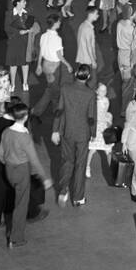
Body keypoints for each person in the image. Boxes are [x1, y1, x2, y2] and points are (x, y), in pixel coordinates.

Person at [0, 101, 52, 249]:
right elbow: (34, 160)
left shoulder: (6, 132)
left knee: (16, 198)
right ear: (26, 116)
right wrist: (44, 178)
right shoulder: (25, 137)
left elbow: (0, 154)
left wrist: (9, 164)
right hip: (22, 171)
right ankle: (16, 238)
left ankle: (13, 231)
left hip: (9, 169)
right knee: (21, 206)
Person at [51, 65, 96, 208]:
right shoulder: (90, 94)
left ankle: (63, 190)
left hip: (67, 132)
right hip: (83, 135)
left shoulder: (65, 89)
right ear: (88, 77)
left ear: (76, 74)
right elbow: (91, 117)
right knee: (80, 165)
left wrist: (55, 130)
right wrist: (93, 133)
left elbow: (59, 110)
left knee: (67, 161)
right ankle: (78, 197)